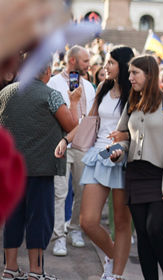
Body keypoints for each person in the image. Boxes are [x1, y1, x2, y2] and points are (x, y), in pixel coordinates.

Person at [54, 46, 135, 280]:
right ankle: (115, 257)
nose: (105, 66)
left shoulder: (135, 93)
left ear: (123, 65)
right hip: (98, 156)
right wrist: (66, 139)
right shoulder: (103, 87)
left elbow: (139, 129)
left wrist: (123, 141)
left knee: (121, 223)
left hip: (122, 157)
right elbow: (89, 121)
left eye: (111, 62)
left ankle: (115, 275)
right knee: (87, 221)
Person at [109, 55, 163, 280]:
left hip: (161, 176)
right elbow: (123, 136)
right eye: (130, 72)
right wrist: (118, 151)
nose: (130, 77)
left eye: (135, 73)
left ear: (149, 75)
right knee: (143, 234)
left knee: (155, 229)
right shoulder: (131, 102)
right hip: (135, 175)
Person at [0, 63, 79, 280]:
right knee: (39, 218)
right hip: (41, 167)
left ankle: (10, 268)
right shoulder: (50, 95)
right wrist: (74, 102)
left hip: (11, 168)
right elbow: (72, 125)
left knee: (13, 217)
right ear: (46, 71)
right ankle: (36, 272)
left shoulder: (6, 92)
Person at [47, 45, 97, 256]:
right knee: (59, 192)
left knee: (83, 191)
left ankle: (75, 228)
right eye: (85, 61)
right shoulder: (54, 83)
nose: (89, 65)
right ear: (73, 61)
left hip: (84, 146)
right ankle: (59, 237)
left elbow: (92, 116)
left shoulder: (89, 86)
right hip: (61, 145)